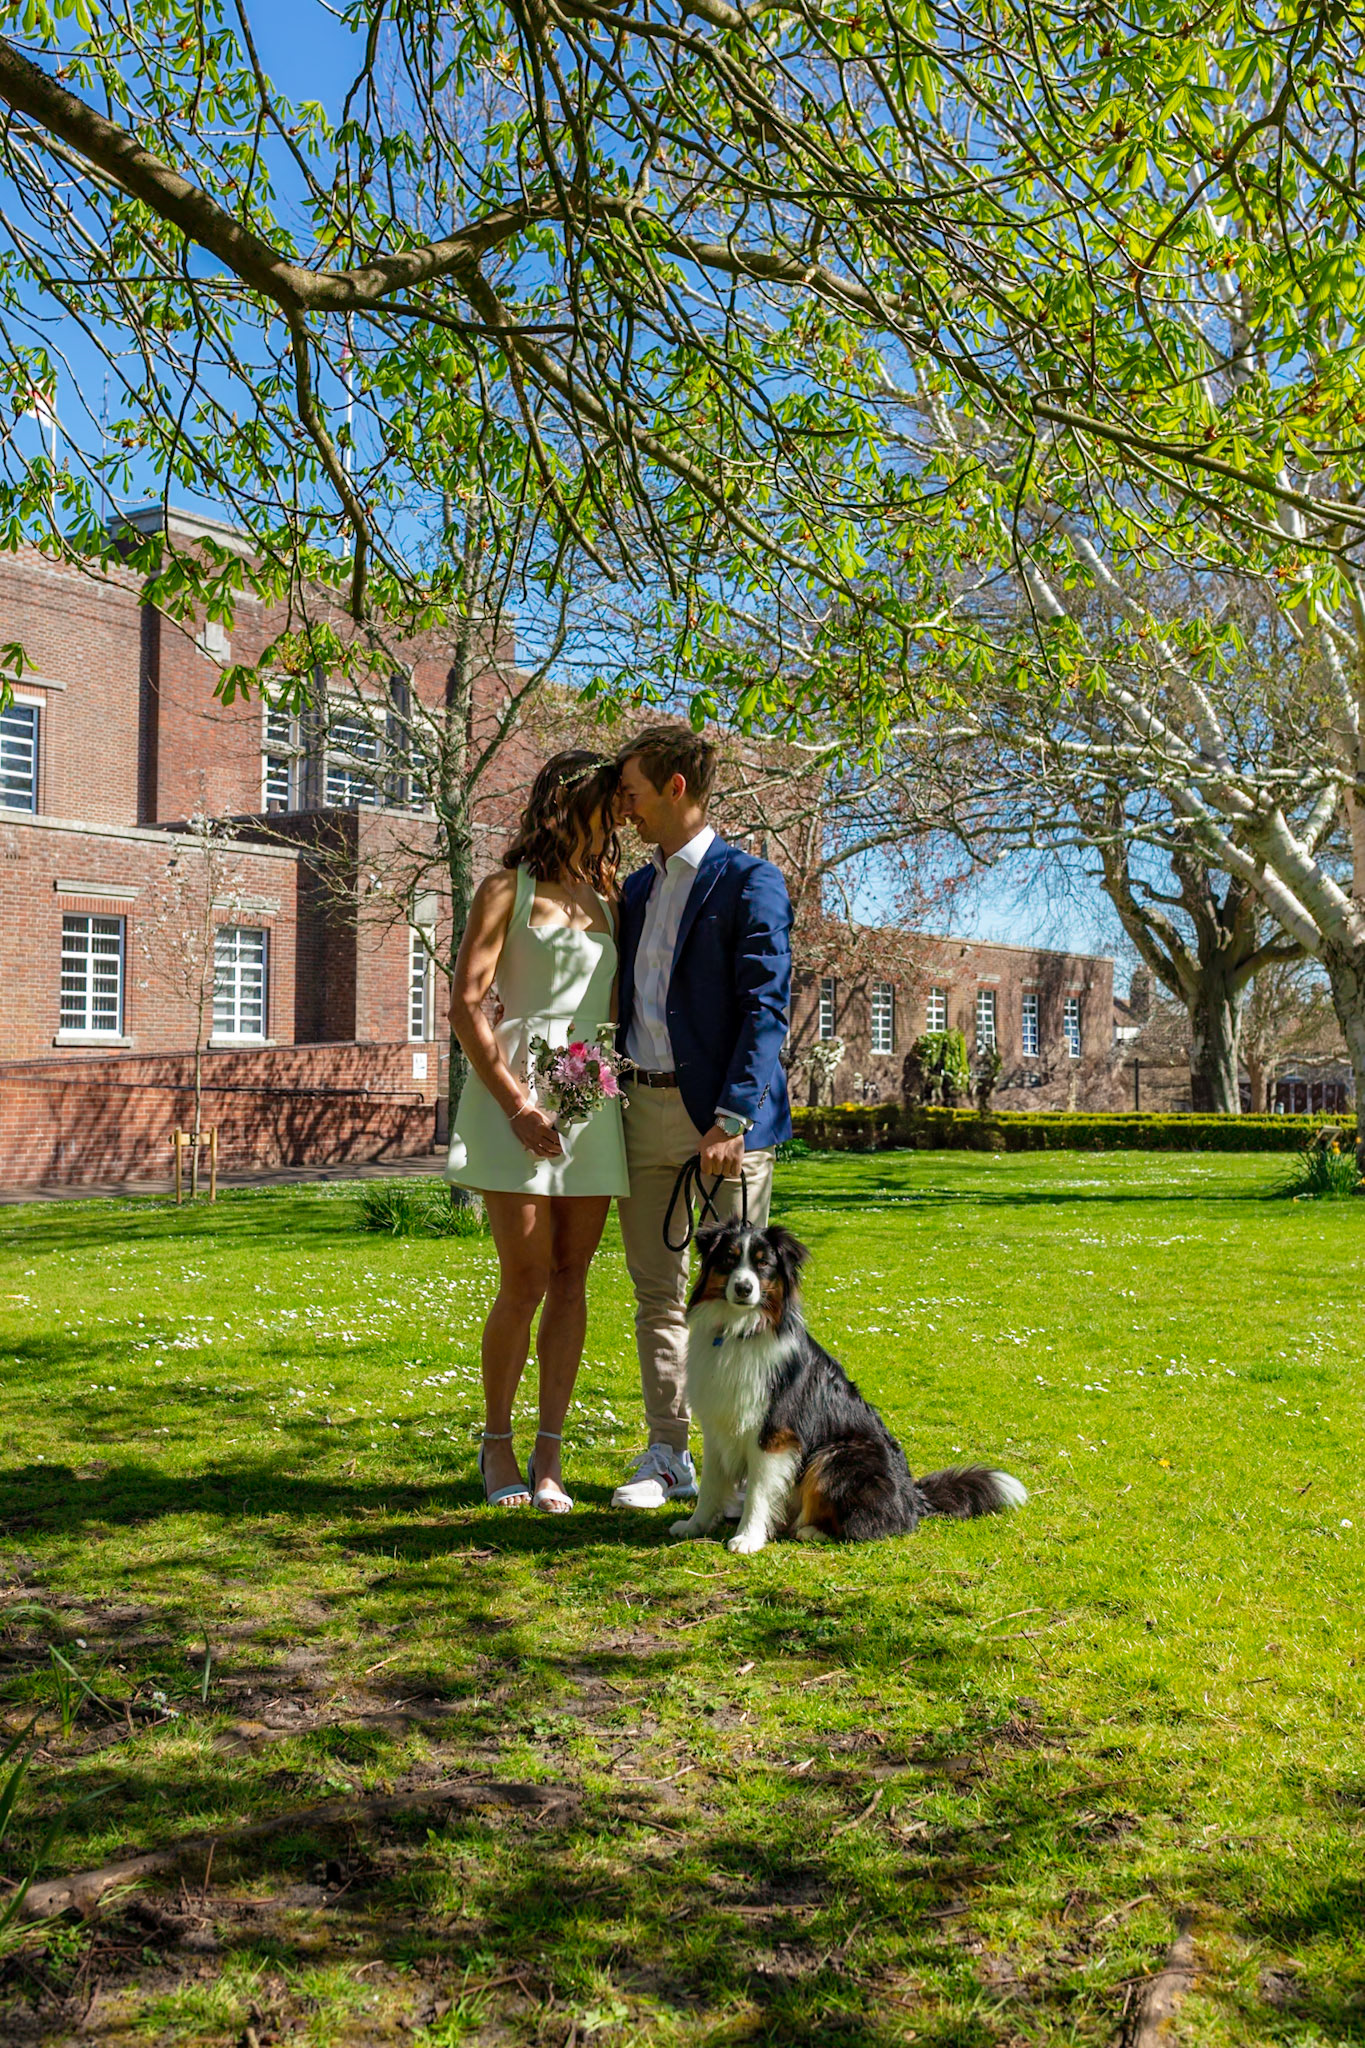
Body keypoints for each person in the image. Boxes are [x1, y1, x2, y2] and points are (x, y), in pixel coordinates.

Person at [609, 724, 793, 1511]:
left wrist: (732, 1117)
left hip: (724, 1124)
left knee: (734, 1298)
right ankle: (669, 1457)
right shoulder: (636, 890)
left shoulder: (750, 882)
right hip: (641, 1109)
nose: (625, 810)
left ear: (675, 789)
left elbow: (764, 1007)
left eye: (633, 794)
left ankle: (747, 1466)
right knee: (659, 1292)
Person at [446, 750, 628, 1512]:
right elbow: (465, 1003)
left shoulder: (612, 896)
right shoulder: (503, 889)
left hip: (590, 1089)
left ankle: (550, 1455)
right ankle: (496, 1447)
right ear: (572, 802)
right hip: (511, 1095)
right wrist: (517, 1103)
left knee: (571, 1277)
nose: (624, 813)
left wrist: (576, 1094)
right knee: (522, 1280)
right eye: (612, 800)